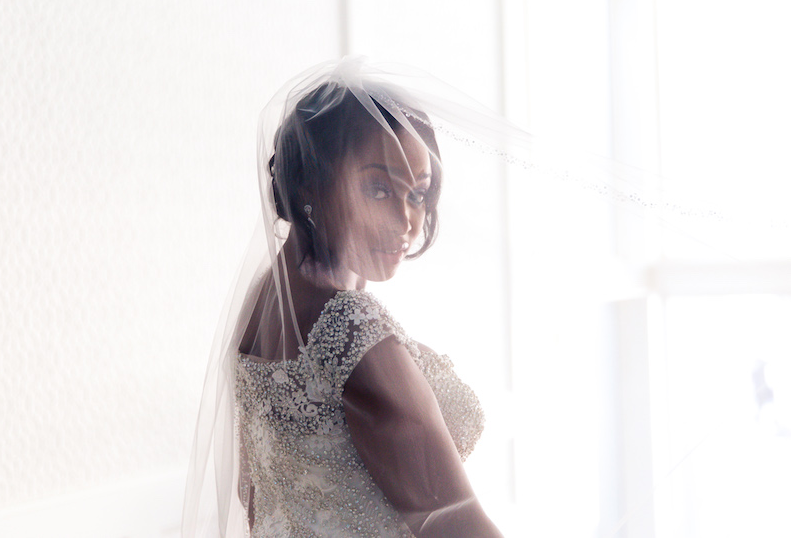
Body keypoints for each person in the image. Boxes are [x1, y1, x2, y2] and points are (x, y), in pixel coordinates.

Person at [182, 57, 790, 538]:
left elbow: (254, 496)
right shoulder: (351, 334)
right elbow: (458, 527)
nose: (407, 222)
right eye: (378, 189)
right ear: (310, 183)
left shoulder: (265, 301)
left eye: (418, 193)